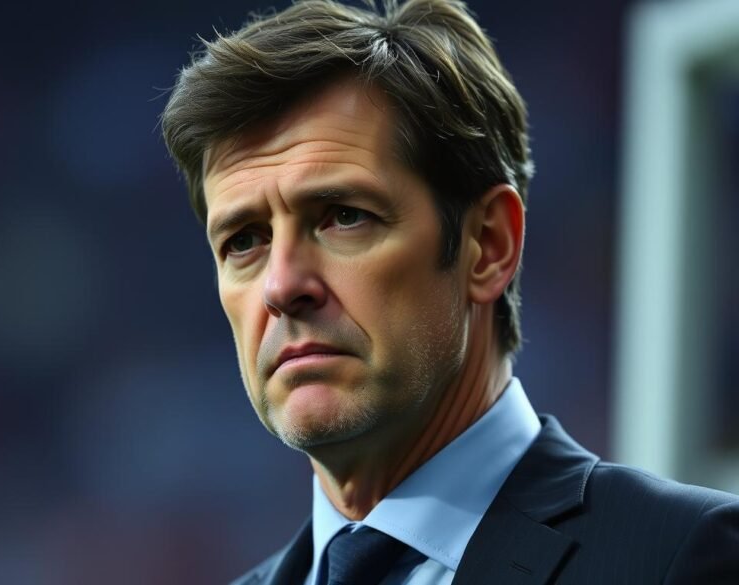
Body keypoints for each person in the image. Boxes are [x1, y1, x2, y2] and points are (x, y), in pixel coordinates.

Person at [160, 0, 739, 583]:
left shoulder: (684, 557)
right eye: (244, 241)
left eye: (344, 216)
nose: (282, 286)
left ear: (487, 245)